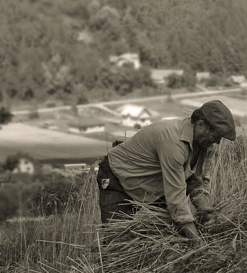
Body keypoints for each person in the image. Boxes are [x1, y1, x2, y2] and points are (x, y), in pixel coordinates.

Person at [96, 100, 236, 244]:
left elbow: (197, 181)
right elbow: (176, 200)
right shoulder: (173, 142)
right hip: (118, 176)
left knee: (168, 236)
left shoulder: (207, 145)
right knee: (116, 241)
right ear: (200, 124)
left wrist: (206, 211)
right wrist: (198, 244)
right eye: (216, 136)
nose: (217, 142)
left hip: (155, 182)